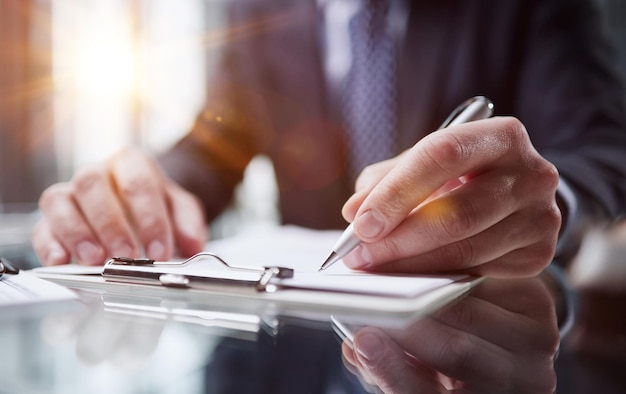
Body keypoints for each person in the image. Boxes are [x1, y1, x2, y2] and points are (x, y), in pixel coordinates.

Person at [33, 0, 626, 278]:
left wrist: (549, 202)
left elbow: (602, 153)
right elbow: (212, 147)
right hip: (300, 349)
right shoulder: (258, 13)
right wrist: (147, 188)